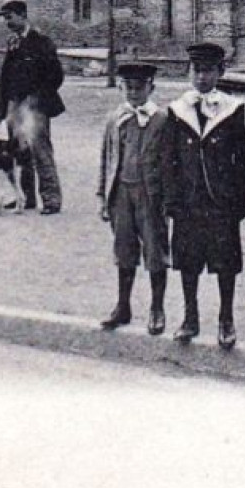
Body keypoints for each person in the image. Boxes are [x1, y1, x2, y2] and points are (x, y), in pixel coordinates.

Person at [162, 42, 245, 349]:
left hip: (221, 202)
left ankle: (226, 318)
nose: (202, 77)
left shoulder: (231, 109)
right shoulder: (177, 111)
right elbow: (169, 160)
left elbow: (243, 161)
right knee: (188, 261)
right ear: (189, 72)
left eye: (208, 71)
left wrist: (240, 201)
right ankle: (190, 317)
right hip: (188, 202)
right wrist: (171, 200)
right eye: (196, 71)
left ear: (220, 72)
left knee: (225, 263)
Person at [97, 61, 170, 334]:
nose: (134, 93)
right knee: (124, 249)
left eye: (140, 87)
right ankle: (123, 305)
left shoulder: (161, 120)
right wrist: (102, 195)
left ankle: (157, 308)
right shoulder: (115, 119)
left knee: (155, 251)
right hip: (121, 193)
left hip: (150, 196)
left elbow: (168, 163)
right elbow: (106, 158)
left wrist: (167, 200)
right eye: (129, 87)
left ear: (151, 87)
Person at [0, 0, 64, 214]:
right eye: (4, 18)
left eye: (9, 17)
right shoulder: (13, 43)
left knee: (41, 152)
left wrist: (37, 97)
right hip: (14, 106)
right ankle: (25, 197)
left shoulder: (42, 43)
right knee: (18, 153)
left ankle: (51, 200)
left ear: (22, 15)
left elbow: (56, 76)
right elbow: (5, 80)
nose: (6, 22)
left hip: (35, 108)